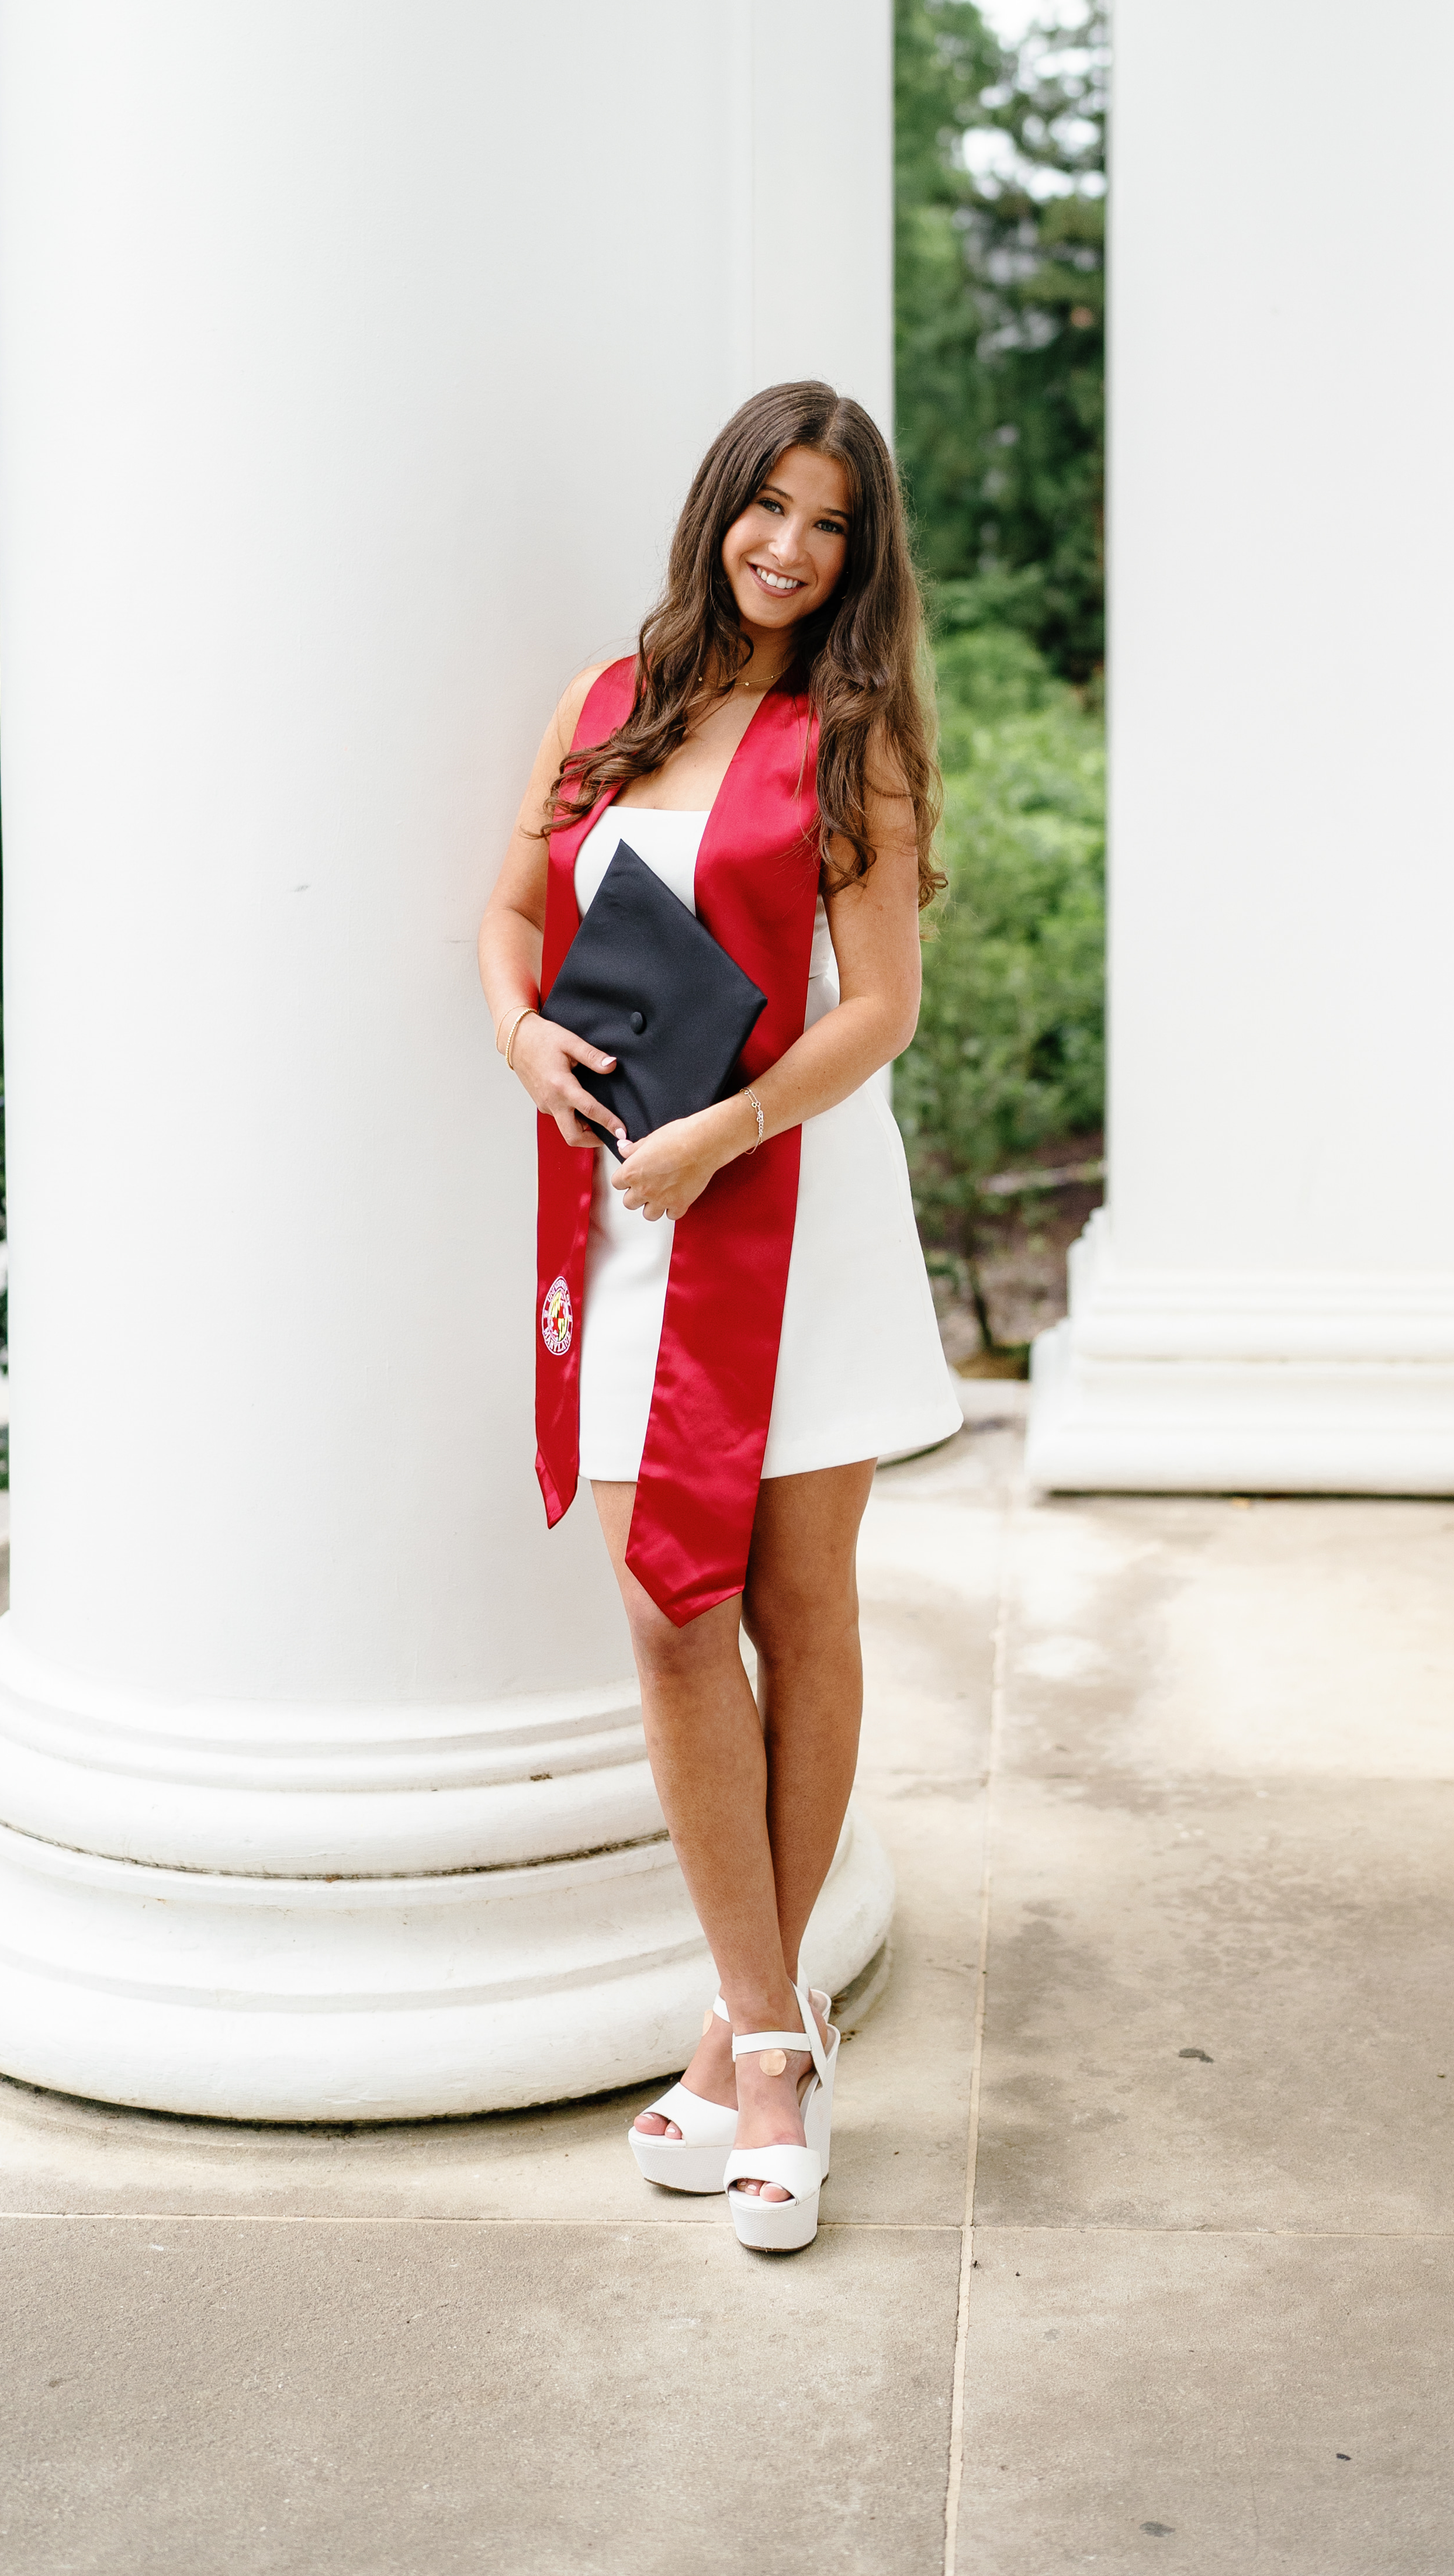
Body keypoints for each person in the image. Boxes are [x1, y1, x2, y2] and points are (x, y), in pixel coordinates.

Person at [477, 379, 956, 2253]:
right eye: (770, 505)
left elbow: (882, 1006)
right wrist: (524, 1038)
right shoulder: (611, 705)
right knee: (669, 1617)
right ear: (720, 510)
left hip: (791, 1194)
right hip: (628, 1208)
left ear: (861, 552)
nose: (790, 547)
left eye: (830, 523)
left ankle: (753, 2051)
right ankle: (775, 2027)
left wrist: (728, 1133)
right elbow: (513, 911)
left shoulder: (859, 744)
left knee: (792, 1605)